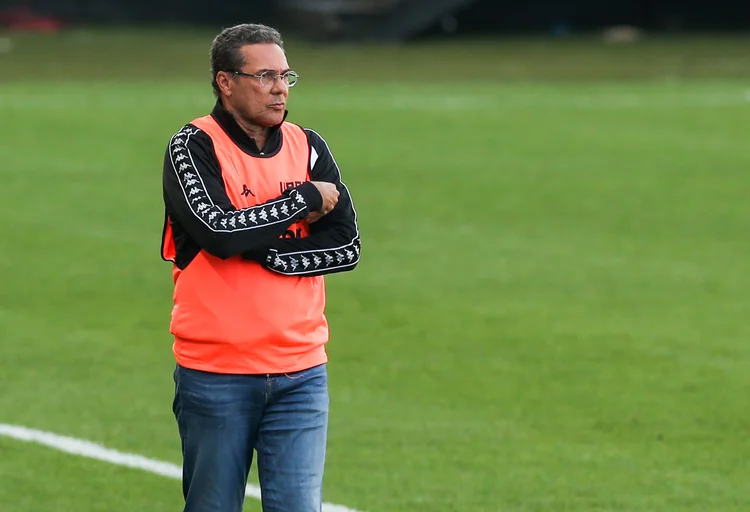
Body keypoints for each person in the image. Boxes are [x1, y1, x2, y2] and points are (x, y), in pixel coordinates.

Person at [160, 23, 361, 512]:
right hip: (217, 374)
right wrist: (301, 202)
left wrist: (265, 251)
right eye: (265, 75)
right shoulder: (193, 148)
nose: (279, 88)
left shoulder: (307, 145)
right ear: (225, 81)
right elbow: (217, 232)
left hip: (301, 373)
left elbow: (346, 246)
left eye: (286, 76)